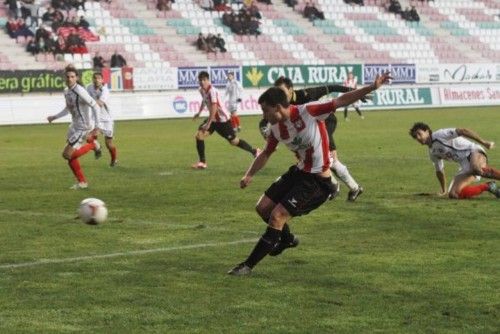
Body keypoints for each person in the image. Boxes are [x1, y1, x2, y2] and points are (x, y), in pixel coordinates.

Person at [228, 72, 392, 276]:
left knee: (277, 216)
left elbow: (340, 100)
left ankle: (247, 266)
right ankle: (286, 240)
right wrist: (249, 174)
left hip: (317, 181)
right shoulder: (276, 128)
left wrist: (371, 87)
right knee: (262, 208)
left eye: (265, 110)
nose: (263, 115)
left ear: (278, 108)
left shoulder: (308, 111)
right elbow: (267, 153)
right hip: (299, 171)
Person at [259, 77, 368, 201]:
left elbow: (331, 88)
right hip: (306, 134)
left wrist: (354, 91)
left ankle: (340, 186)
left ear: (291, 89)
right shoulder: (280, 107)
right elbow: (266, 121)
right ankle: (342, 186)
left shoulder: (306, 94)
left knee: (329, 159)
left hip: (325, 122)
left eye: (282, 92)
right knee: (311, 159)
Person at [409, 123, 500, 199]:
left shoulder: (439, 134)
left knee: (476, 168)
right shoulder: (432, 152)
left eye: (419, 133)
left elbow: (463, 131)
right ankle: (489, 186)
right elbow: (439, 171)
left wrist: (484, 142)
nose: (418, 138)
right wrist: (444, 190)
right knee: (453, 194)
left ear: (427, 131)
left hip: (473, 151)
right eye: (415, 136)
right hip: (464, 165)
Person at [47, 65, 101, 189]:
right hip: (74, 126)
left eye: (72, 76)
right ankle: (82, 182)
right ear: (64, 78)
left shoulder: (80, 91)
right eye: (68, 76)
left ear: (76, 77)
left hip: (83, 127)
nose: (70, 79)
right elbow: (68, 108)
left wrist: (97, 127)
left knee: (67, 154)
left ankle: (93, 145)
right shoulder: (66, 91)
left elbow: (95, 106)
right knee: (69, 156)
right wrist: (54, 117)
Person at [192, 71, 260, 169]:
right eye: (200, 80)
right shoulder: (201, 90)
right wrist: (199, 113)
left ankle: (255, 151)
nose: (202, 82)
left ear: (208, 80)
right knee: (199, 135)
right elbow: (204, 101)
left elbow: (214, 107)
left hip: (223, 120)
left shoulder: (212, 91)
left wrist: (208, 123)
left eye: (204, 80)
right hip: (214, 119)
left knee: (233, 141)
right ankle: (202, 162)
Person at [87, 72, 118, 167]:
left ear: (102, 80)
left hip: (107, 120)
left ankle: (114, 160)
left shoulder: (105, 90)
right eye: (95, 78)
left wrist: (88, 101)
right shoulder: (89, 88)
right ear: (92, 79)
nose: (96, 80)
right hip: (95, 119)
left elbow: (100, 103)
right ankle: (97, 147)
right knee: (88, 137)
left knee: (109, 144)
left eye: (99, 78)